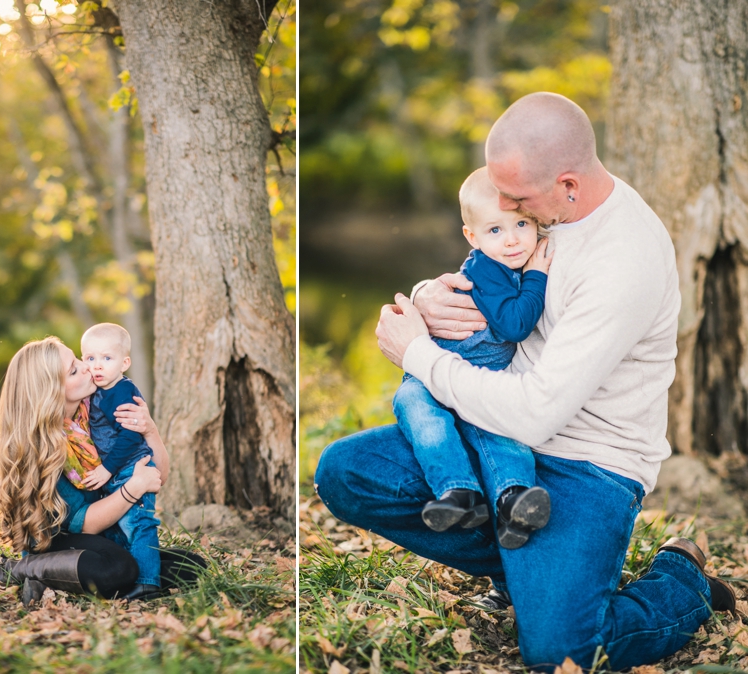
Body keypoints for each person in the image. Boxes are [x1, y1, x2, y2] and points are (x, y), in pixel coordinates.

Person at [315, 92, 736, 671]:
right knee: (346, 472)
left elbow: (537, 413)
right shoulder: (545, 212)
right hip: (499, 435)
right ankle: (533, 567)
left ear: (567, 185)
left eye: (517, 200)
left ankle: (680, 580)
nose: (507, 209)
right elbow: (485, 265)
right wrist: (429, 299)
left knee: (562, 652)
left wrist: (415, 353)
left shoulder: (623, 260)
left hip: (589, 465)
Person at [0, 336, 207, 604]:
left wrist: (149, 430)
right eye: (74, 369)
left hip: (104, 531)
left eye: (78, 359)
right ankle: (6, 569)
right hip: (56, 540)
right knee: (117, 569)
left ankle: (49, 582)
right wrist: (134, 488)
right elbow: (84, 521)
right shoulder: (43, 446)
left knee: (190, 567)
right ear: (51, 391)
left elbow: (158, 476)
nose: (88, 367)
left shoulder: (94, 415)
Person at [393, 167, 552, 548]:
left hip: (488, 369)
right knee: (414, 403)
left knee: (498, 427)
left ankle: (514, 500)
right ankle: (459, 492)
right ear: (472, 236)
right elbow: (515, 325)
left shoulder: (522, 254)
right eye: (495, 230)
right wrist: (536, 277)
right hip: (447, 361)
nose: (512, 240)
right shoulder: (488, 267)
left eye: (522, 224)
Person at [79, 322, 163, 601]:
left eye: (106, 358)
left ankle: (147, 582)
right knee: (125, 526)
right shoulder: (95, 390)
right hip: (118, 472)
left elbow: (130, 436)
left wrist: (106, 469)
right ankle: (130, 573)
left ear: (124, 362)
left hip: (129, 467)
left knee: (139, 523)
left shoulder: (122, 392)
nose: (97, 366)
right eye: (90, 358)